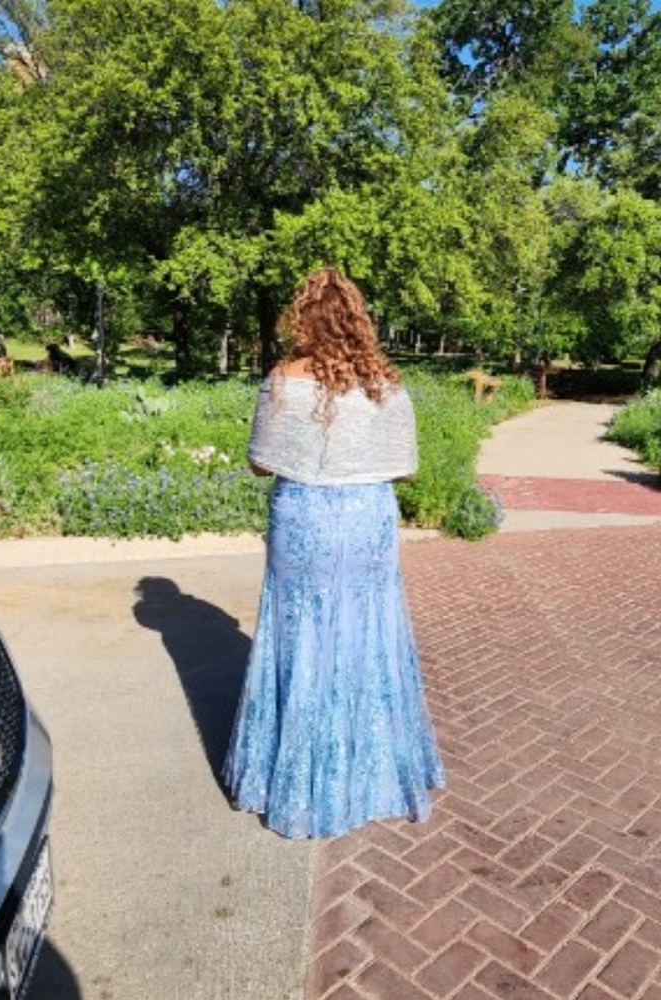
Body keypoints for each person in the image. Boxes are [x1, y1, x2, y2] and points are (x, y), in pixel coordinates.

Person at [222, 266, 446, 839]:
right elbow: (405, 467)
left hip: (305, 520)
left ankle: (299, 784)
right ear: (356, 319)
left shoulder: (282, 378)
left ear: (301, 318)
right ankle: (372, 776)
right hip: (367, 518)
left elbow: (260, 461)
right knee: (369, 633)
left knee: (300, 636)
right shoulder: (385, 383)